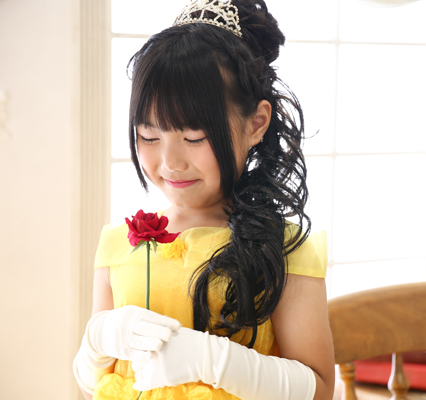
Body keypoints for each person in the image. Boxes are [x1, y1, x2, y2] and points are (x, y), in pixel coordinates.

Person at [72, 0, 335, 399]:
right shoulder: (118, 244)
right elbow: (97, 384)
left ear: (256, 123)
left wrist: (209, 359)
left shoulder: (284, 247)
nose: (170, 162)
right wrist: (97, 341)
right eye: (149, 136)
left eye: (194, 137)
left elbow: (320, 389)